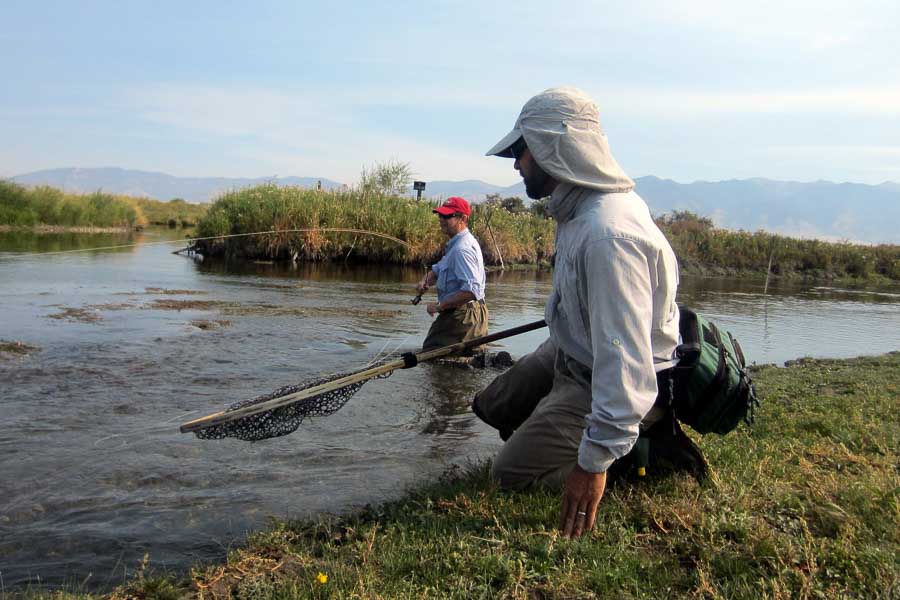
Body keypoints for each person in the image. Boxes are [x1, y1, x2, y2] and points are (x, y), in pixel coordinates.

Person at [474, 86, 693, 539]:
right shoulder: (575, 215)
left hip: (601, 379)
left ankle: (625, 457)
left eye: (521, 150)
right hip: (570, 354)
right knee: (492, 403)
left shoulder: (608, 236)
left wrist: (594, 462)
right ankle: (547, 434)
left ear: (555, 148)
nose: (516, 164)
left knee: (506, 478)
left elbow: (625, 361)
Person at [416, 196, 488, 351]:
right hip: (465, 313)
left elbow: (471, 291)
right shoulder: (456, 245)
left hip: (463, 315)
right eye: (440, 215)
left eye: (447, 216)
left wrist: (439, 306)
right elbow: (439, 268)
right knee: (455, 362)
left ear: (462, 218)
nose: (441, 219)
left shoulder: (462, 249)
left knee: (432, 353)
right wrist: (426, 280)